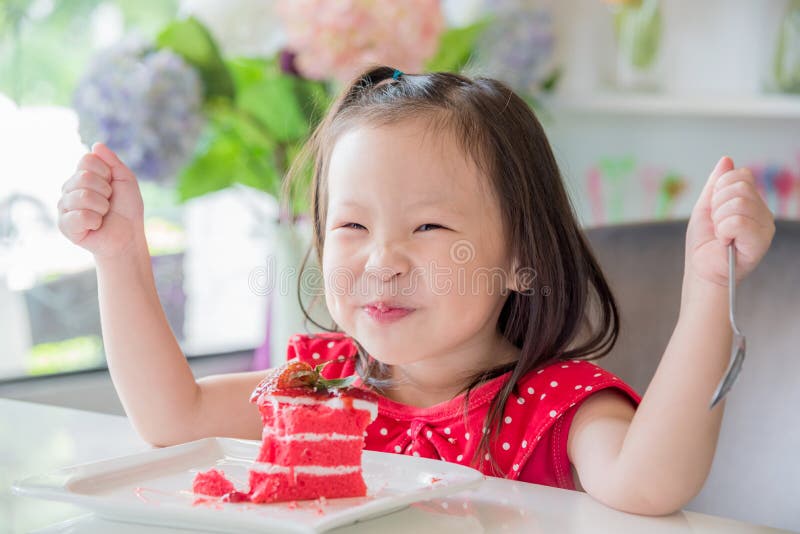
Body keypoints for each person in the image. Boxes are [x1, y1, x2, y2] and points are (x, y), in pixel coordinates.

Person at [56, 66, 775, 515]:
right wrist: (121, 258)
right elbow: (171, 417)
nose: (383, 259)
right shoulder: (325, 385)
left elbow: (653, 484)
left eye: (428, 225)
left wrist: (710, 287)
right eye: (352, 225)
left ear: (523, 258)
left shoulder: (552, 407)